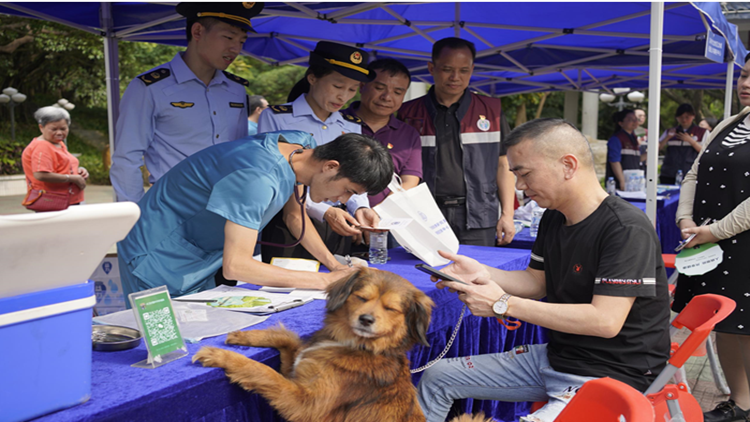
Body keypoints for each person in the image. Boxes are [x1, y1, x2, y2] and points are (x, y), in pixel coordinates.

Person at [416, 118, 670, 422]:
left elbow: (605, 321)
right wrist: (481, 272)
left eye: (524, 174)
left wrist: (503, 304)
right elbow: (537, 282)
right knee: (437, 376)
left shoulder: (625, 228)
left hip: (613, 374)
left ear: (568, 165)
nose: (520, 187)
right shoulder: (554, 216)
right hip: (557, 357)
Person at [117, 131, 394, 301]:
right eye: (347, 190)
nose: (343, 201)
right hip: (156, 255)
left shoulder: (302, 147)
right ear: (331, 166)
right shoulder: (258, 178)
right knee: (162, 353)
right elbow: (237, 266)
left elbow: (295, 215)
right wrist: (324, 281)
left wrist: (335, 267)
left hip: (199, 254)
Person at [110, 2, 263, 203]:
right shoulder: (150, 87)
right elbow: (126, 158)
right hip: (172, 207)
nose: (235, 48)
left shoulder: (235, 90)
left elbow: (241, 152)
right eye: (228, 37)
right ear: (197, 31)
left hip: (227, 206)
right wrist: (135, 217)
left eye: (242, 41)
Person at [672, 54, 750, 422]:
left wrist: (714, 231)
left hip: (740, 245)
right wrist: (685, 218)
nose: (746, 83)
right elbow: (693, 173)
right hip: (715, 247)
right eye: (745, 75)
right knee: (725, 326)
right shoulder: (727, 124)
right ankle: (741, 403)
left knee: (748, 328)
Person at [257, 41, 379, 262]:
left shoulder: (351, 124)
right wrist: (323, 211)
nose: (344, 97)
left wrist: (360, 207)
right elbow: (276, 179)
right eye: (338, 86)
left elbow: (354, 174)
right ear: (312, 77)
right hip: (290, 223)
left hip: (339, 224)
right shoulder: (278, 117)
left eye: (352, 89)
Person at [398, 37, 516, 246]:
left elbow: (503, 164)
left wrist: (507, 214)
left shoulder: (492, 111)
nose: (455, 77)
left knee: (477, 277)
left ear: (472, 70)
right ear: (431, 68)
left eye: (463, 71)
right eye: (447, 69)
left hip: (479, 217)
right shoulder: (407, 113)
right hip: (424, 216)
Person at [342, 58, 422, 208]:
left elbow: (409, 181)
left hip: (384, 223)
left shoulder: (409, 134)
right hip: (334, 217)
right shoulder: (335, 122)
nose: (387, 97)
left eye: (397, 92)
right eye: (379, 88)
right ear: (362, 86)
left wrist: (380, 213)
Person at [21, 106, 89, 208]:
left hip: (69, 199)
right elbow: (41, 174)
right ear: (41, 128)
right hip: (56, 201)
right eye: (54, 129)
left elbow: (60, 166)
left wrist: (78, 171)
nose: (59, 132)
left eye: (63, 128)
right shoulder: (42, 146)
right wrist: (73, 178)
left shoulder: (58, 143)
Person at [658, 103, 710, 185]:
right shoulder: (669, 131)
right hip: (669, 173)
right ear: (677, 118)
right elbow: (658, 148)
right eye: (681, 117)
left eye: (687, 117)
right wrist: (667, 137)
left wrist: (691, 141)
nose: (684, 120)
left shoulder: (702, 132)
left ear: (693, 116)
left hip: (690, 173)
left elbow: (706, 151)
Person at [606, 108, 644, 191]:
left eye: (635, 119)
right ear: (621, 123)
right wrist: (622, 181)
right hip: (620, 185)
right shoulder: (617, 139)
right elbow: (614, 161)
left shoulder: (634, 138)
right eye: (630, 120)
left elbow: (637, 159)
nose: (634, 122)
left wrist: (652, 151)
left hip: (633, 182)